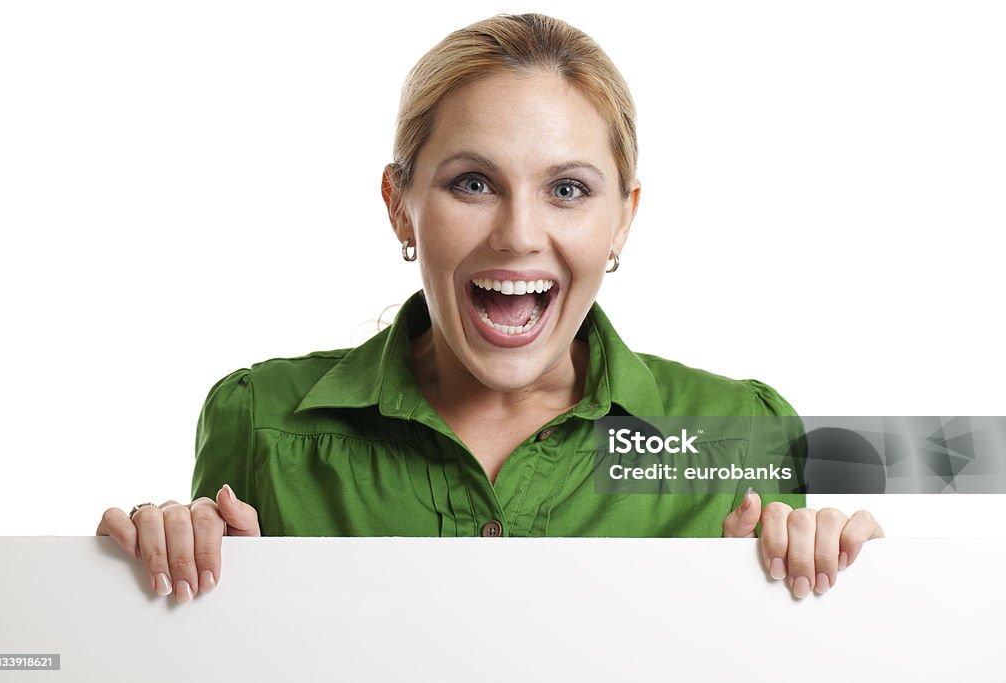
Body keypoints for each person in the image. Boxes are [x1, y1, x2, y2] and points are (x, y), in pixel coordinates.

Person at [97, 12, 883, 605]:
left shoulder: (737, 433)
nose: (518, 234)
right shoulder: (260, 421)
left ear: (623, 219)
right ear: (400, 206)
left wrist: (838, 589)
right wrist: (163, 578)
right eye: (473, 182)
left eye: (568, 189)